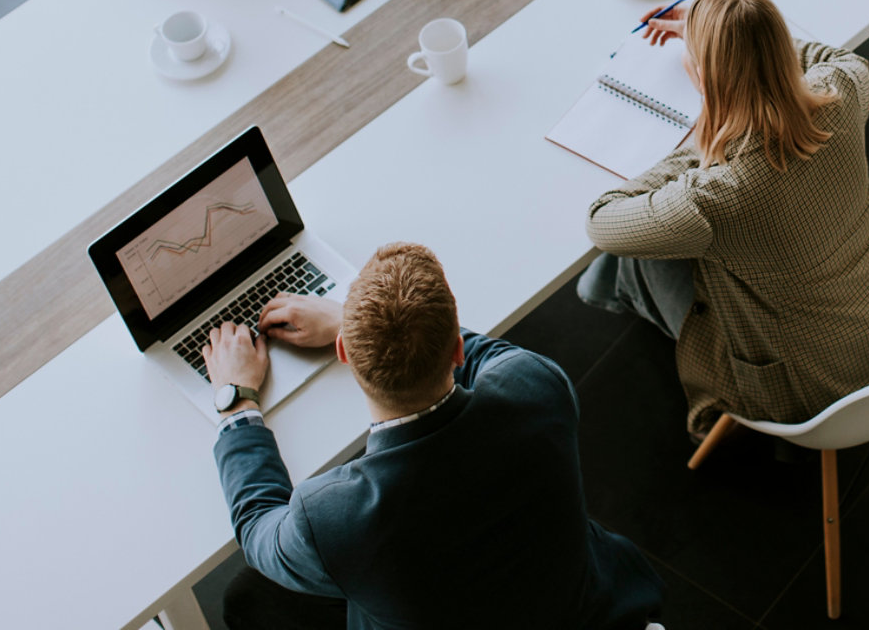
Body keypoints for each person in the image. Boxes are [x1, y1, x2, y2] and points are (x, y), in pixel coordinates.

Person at [204, 241, 663, 630]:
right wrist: (350, 317)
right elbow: (480, 351)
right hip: (589, 611)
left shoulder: (333, 518)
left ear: (344, 352)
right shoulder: (537, 387)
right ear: (456, 350)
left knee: (247, 597)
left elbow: (257, 524)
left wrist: (236, 398)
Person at [578, 0, 869, 438]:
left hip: (822, 388)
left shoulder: (714, 196)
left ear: (705, 78)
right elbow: (827, 58)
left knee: (632, 258)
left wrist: (700, 146)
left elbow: (602, 220)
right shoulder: (844, 88)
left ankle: (605, 293)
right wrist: (740, 39)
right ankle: (603, 287)